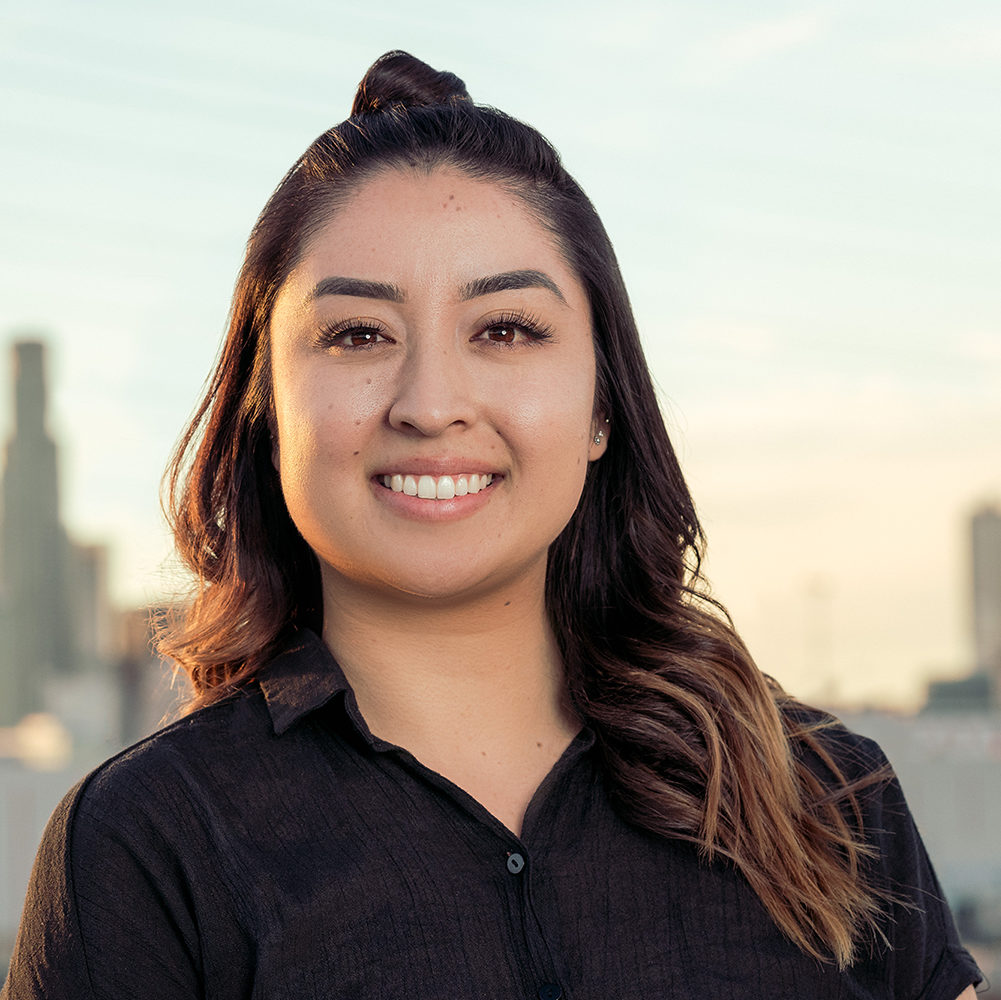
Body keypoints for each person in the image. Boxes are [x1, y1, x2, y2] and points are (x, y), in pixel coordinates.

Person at [2, 51, 983, 1000]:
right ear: (266, 413)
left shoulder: (824, 796)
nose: (430, 403)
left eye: (504, 330)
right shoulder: (146, 844)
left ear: (601, 406)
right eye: (356, 335)